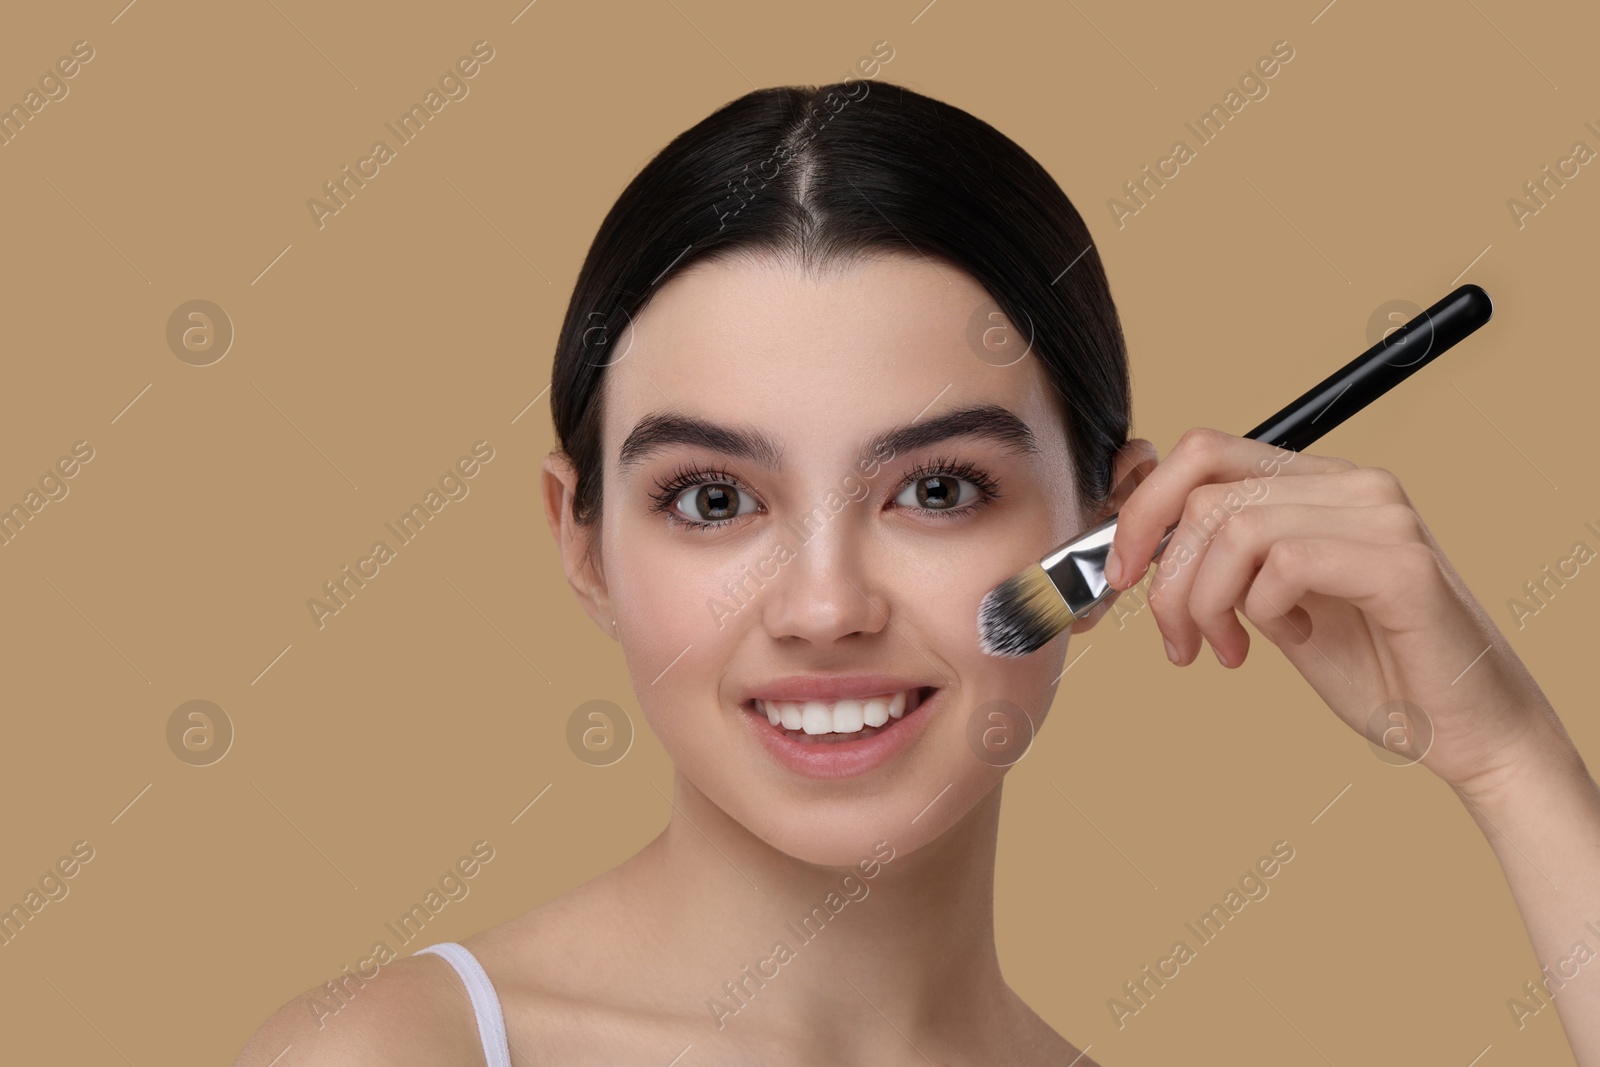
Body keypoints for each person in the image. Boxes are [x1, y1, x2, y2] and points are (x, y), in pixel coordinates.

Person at [234, 80, 1600, 1066]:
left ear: (1114, 538)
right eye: (713, 499)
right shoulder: (398, 1054)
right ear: (581, 543)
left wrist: (1513, 765)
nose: (825, 607)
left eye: (937, 491)